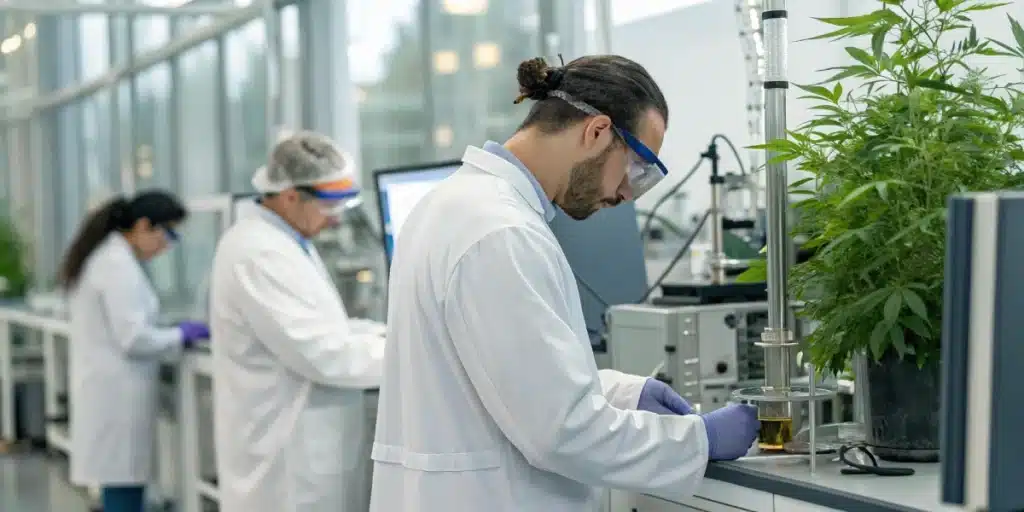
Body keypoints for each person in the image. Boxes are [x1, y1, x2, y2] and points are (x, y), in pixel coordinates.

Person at [369, 55, 761, 511]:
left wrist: (620, 393)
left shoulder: (456, 204)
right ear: (596, 131)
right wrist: (698, 439)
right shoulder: (501, 231)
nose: (626, 194)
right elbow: (560, 431)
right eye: (636, 168)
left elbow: (502, 377)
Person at [210, 131, 386, 512]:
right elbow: (324, 354)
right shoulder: (258, 253)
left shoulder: (285, 241)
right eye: (329, 207)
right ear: (290, 196)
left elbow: (324, 329)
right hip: (287, 462)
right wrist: (409, 353)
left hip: (303, 448)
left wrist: (381, 333)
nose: (336, 220)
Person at [64, 191, 209, 512]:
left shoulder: (112, 258)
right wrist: (180, 334)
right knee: (122, 485)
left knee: (123, 483)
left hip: (112, 393)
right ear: (144, 226)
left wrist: (171, 330)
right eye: (168, 233)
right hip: (116, 397)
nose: (168, 244)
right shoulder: (115, 265)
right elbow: (133, 338)